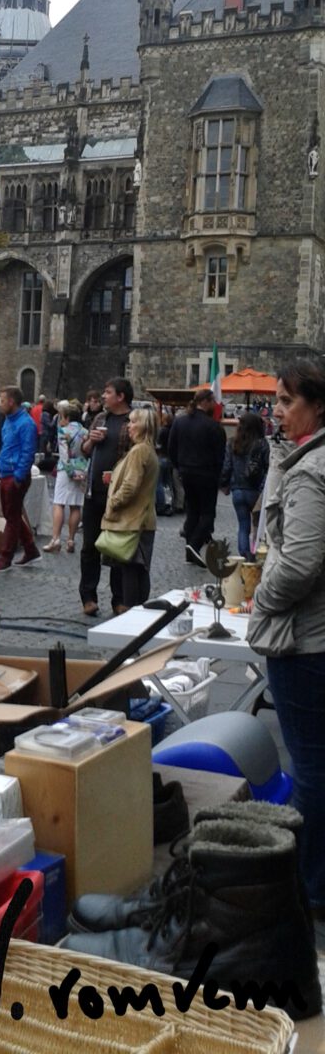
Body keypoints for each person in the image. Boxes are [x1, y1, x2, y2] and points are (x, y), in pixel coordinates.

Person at [247, 360, 325, 918]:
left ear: (317, 406)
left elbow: (299, 562)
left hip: (306, 643)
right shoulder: (302, 459)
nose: (276, 409)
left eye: (286, 400)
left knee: (312, 770)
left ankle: (309, 890)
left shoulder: (312, 470)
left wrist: (262, 600)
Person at [78, 378, 132, 615]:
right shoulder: (100, 419)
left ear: (120, 396)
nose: (103, 396)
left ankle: (119, 599)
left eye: (108, 392)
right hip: (93, 494)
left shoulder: (133, 421)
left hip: (118, 496)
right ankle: (88, 597)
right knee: (90, 546)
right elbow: (84, 450)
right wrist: (91, 440)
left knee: (117, 549)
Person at [100, 405, 159, 609]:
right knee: (137, 570)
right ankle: (137, 612)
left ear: (144, 426)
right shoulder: (147, 450)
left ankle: (133, 615)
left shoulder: (139, 451)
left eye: (134, 422)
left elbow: (130, 486)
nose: (129, 426)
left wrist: (113, 503)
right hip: (142, 519)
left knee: (131, 571)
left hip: (134, 521)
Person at [168, 389, 226, 564]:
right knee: (208, 513)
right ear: (206, 402)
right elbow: (220, 455)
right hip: (206, 473)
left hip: (186, 471)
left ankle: (190, 548)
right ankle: (194, 544)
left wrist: (179, 466)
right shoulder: (213, 426)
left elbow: (172, 447)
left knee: (192, 511)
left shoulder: (180, 422)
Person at [0, 386, 40, 572]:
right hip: (7, 472)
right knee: (12, 514)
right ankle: (30, 549)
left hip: (15, 475)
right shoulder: (9, 421)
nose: (0, 404)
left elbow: (28, 452)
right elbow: (6, 448)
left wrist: (19, 476)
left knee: (11, 516)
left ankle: (6, 557)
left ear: (11, 401)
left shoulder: (25, 423)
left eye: (2, 400)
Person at [220, 411, 269, 559]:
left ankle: (244, 555)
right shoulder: (262, 444)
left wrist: (224, 484)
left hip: (237, 490)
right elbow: (268, 468)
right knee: (257, 525)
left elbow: (227, 466)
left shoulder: (232, 442)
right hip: (255, 490)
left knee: (243, 526)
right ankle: (256, 553)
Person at [44, 399, 86, 554]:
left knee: (59, 503)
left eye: (62, 417)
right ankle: (71, 540)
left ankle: (55, 539)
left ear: (67, 418)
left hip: (66, 471)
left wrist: (69, 472)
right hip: (81, 469)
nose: (60, 420)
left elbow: (63, 455)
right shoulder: (85, 432)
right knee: (76, 506)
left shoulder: (64, 432)